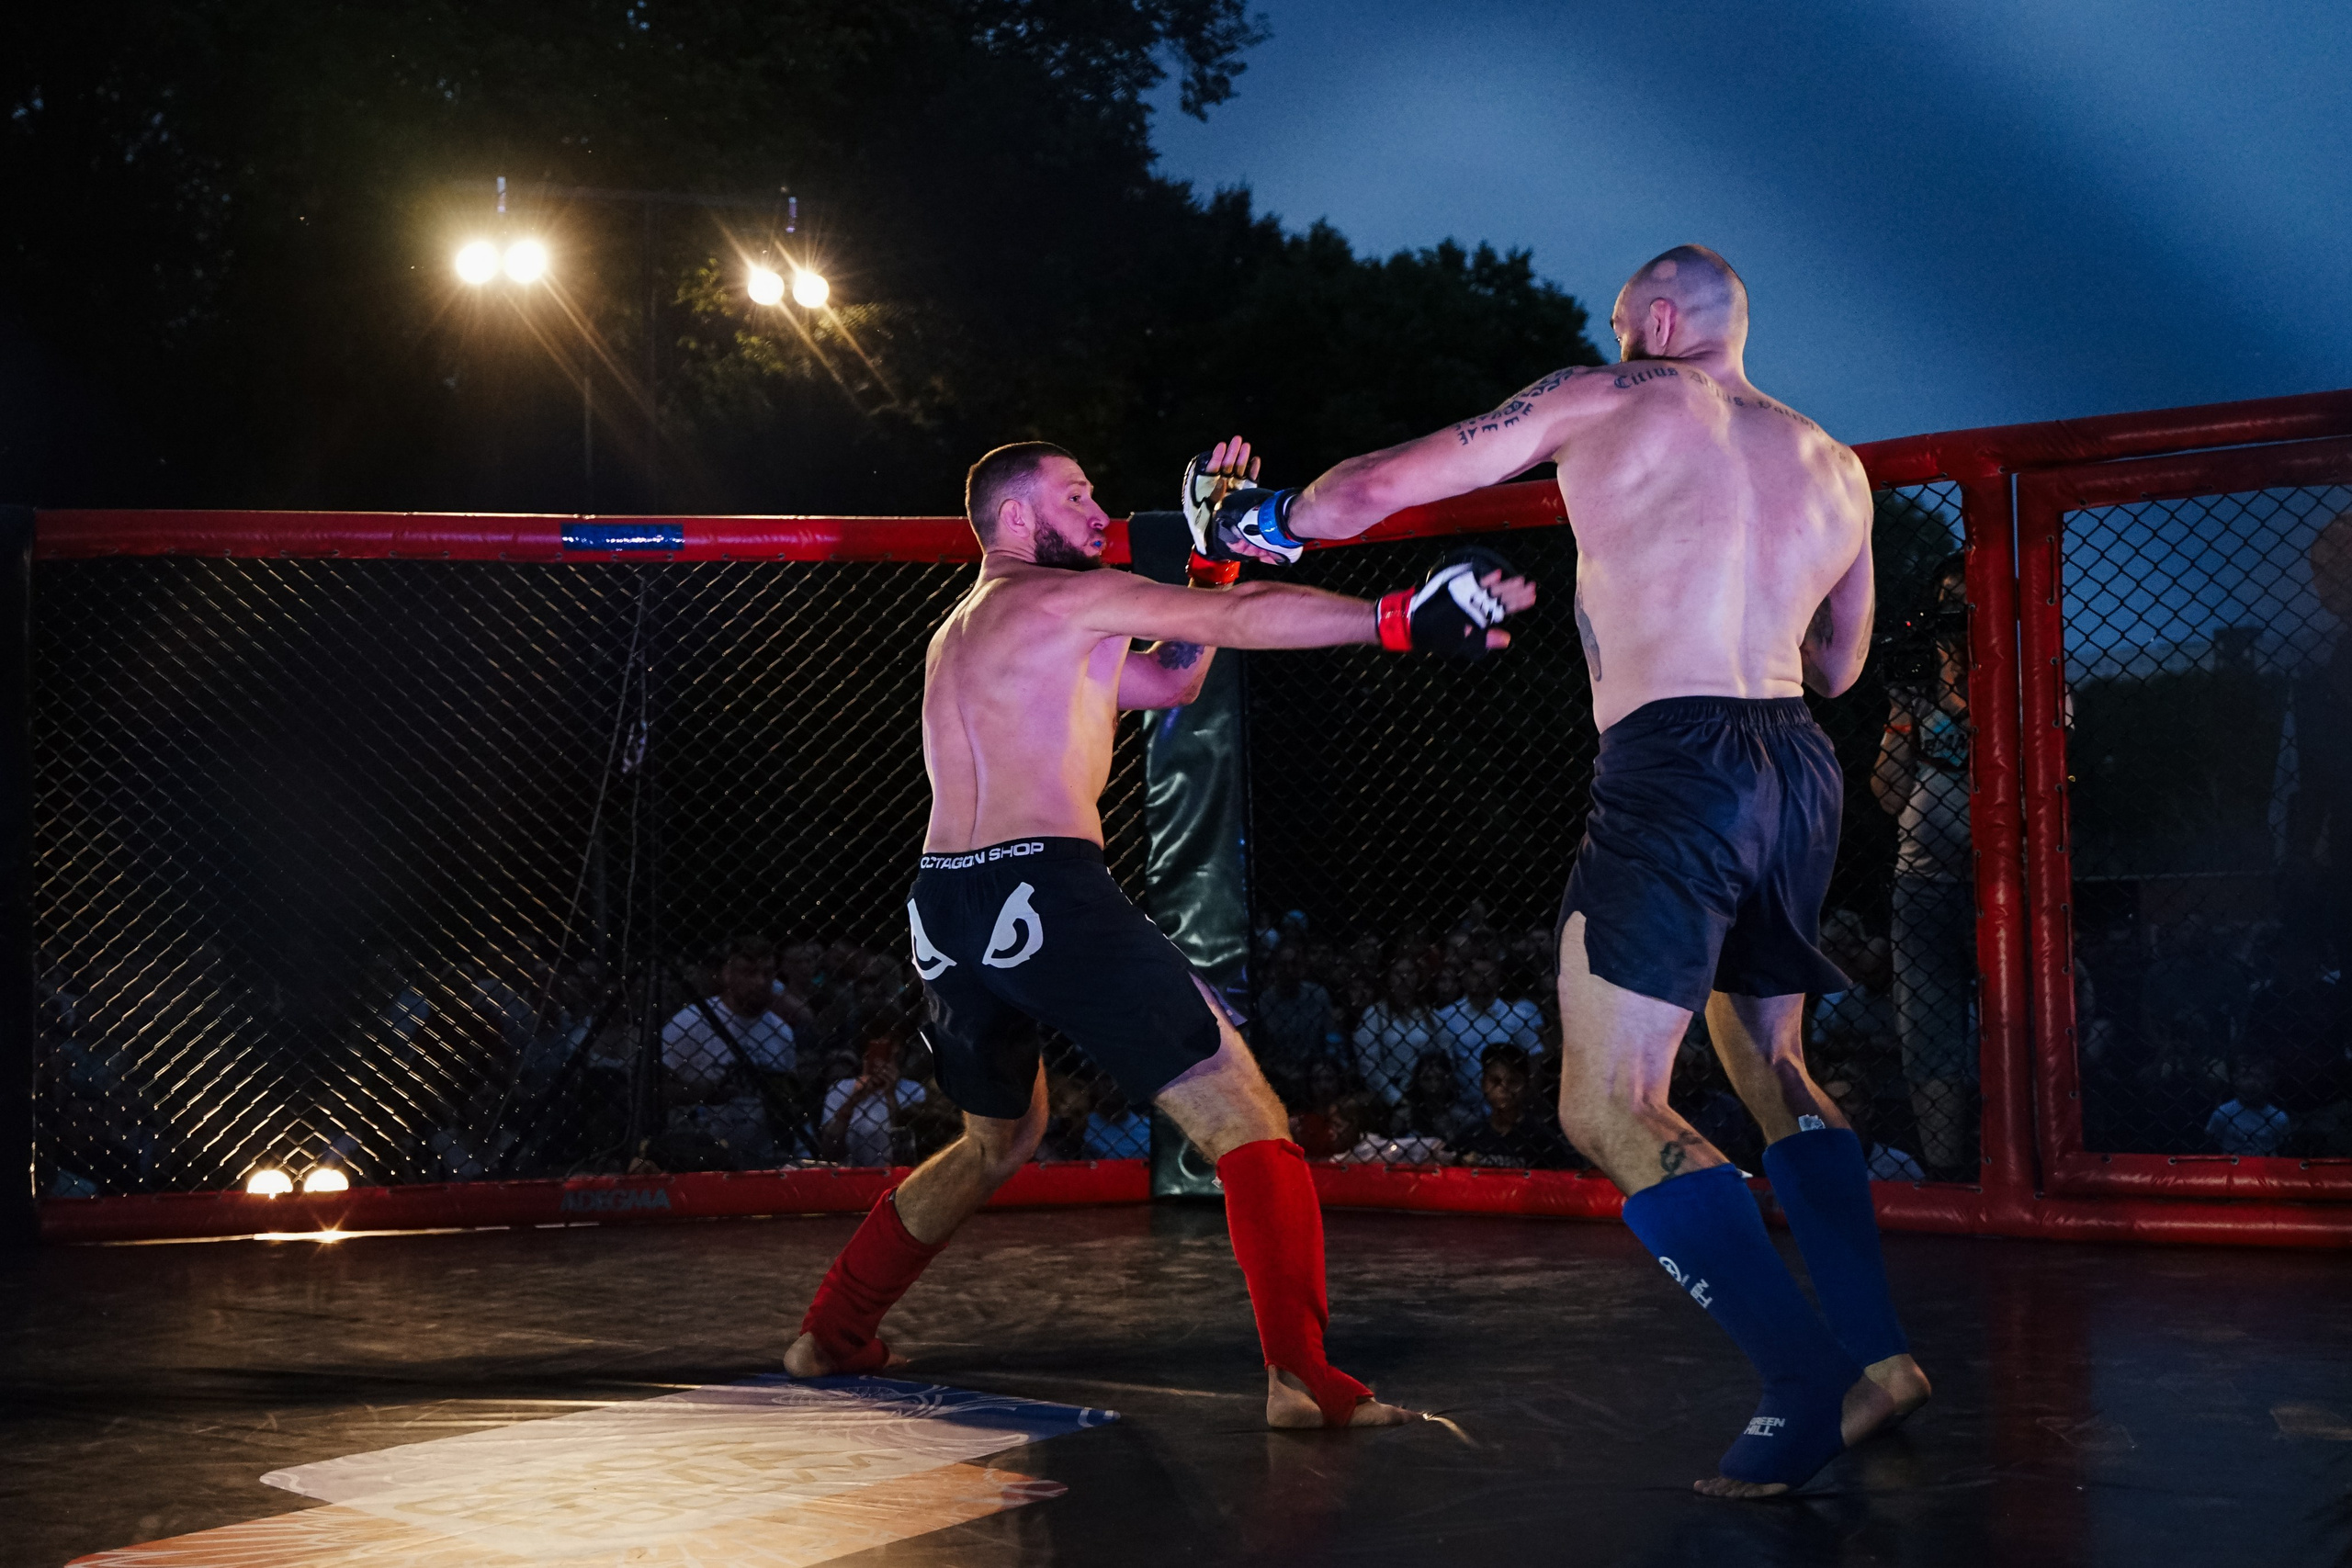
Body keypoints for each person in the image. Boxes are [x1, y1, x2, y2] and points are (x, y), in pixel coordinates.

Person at [1196, 245, 1928, 1495]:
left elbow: (1382, 480)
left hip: (1676, 761)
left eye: (1619, 319)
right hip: (1795, 762)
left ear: (1650, 318)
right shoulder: (1836, 461)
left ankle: (1804, 1381)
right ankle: (1882, 1356)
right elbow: (1844, 661)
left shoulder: (1608, 392)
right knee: (1773, 1058)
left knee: (1608, 1102)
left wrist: (1255, 521)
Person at [782, 436, 1533, 1429]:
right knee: (1245, 1116)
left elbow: (1171, 679)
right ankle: (1301, 1380)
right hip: (1041, 889)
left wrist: (1215, 555)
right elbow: (1230, 621)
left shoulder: (972, 629)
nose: (1099, 514)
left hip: (944, 905)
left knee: (996, 1139)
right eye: (1077, 496)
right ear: (1016, 519)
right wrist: (1391, 620)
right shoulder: (1064, 601)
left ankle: (829, 1331)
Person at [1871, 553, 1977, 1180]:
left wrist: (1958, 704)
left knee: (2010, 1027)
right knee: (1929, 1031)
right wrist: (1905, 712)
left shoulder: (2028, 673)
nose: (1953, 619)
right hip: (1923, 883)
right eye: (1946, 604)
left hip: (2003, 886)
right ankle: (1946, 1174)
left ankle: (2019, 1163)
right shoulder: (1924, 683)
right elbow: (1887, 795)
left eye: (1965, 605)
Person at [661, 935, 801, 1163]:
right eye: (749, 973)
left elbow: (789, 1099)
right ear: (728, 974)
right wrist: (701, 1092)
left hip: (760, 1157)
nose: (760, 982)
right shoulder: (692, 1022)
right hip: (698, 1155)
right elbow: (653, 1087)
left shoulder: (781, 1031)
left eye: (767, 973)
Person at [1433, 955, 1545, 1116]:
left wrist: (1526, 1096)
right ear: (1465, 977)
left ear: (1498, 978)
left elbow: (1535, 1054)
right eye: (1476, 974)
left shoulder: (1516, 1016)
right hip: (1464, 1108)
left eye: (1489, 974)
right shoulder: (1447, 1017)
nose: (1483, 979)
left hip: (1509, 1105)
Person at [1449, 1043, 1581, 1169]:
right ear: (1484, 1085)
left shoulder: (1542, 1139)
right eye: (1496, 1081)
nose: (1503, 1088)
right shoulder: (1471, 1137)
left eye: (1512, 1082)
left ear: (1526, 1086)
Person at [820, 1037, 929, 1166]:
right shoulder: (841, 1089)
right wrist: (851, 1102)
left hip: (895, 1172)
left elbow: (908, 1150)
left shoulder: (914, 1090)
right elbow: (829, 1151)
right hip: (852, 1173)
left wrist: (890, 1096)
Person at [1353, 958, 1439, 1109]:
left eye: (1410, 972)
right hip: (1388, 1094)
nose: (1404, 978)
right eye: (1398, 973)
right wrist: (1395, 1098)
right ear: (1388, 977)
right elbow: (1368, 1064)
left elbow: (1443, 1055)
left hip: (1427, 1092)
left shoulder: (1431, 1015)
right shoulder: (1374, 1015)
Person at [2207, 1061, 2290, 1156]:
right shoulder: (2223, 1114)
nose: (2252, 1083)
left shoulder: (2279, 1118)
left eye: (2259, 1077)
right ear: (2235, 1079)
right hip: (2231, 1169)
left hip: (2265, 1168)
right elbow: (2212, 1144)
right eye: (2246, 1076)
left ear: (2269, 1081)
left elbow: (2283, 1149)